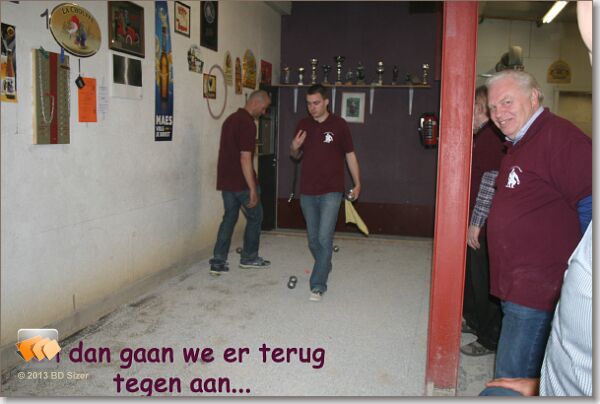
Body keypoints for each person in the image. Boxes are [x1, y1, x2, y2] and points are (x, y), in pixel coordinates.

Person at [484, 69, 592, 380]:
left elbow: (591, 202)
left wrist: (584, 272)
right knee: (526, 371)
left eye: (506, 102)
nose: (498, 114)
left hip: (538, 287)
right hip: (518, 282)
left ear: (533, 97)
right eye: (492, 107)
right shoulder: (519, 142)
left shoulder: (560, 138)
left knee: (509, 377)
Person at [480, 221, 592, 396]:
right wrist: (540, 385)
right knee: (499, 387)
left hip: (534, 286)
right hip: (555, 383)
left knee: (509, 373)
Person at [290, 84, 361, 302]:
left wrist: (358, 183)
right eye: (308, 104)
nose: (312, 107)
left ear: (327, 101)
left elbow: (350, 155)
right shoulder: (303, 125)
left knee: (324, 237)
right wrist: (294, 146)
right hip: (308, 191)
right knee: (313, 240)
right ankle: (325, 262)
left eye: (316, 103)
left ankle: (318, 284)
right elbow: (295, 155)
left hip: (332, 191)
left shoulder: (339, 125)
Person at [461, 86, 505, 356]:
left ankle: (489, 339)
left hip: (485, 226)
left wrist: (476, 223)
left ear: (481, 109)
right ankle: (475, 322)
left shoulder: (490, 137)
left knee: (485, 282)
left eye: (474, 109)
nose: (471, 115)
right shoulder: (484, 136)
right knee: (474, 279)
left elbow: (489, 184)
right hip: (479, 222)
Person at [209, 90, 272, 276]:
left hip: (226, 182)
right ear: (255, 103)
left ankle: (218, 261)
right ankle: (249, 258)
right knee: (256, 217)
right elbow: (245, 158)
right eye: (264, 108)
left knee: (229, 218)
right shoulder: (248, 124)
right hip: (242, 183)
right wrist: (252, 188)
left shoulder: (230, 120)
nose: (263, 112)